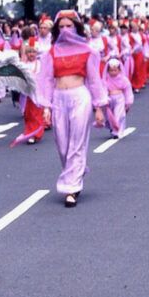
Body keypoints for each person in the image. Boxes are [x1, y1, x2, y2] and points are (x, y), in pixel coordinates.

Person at [37, 11, 109, 208]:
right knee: (62, 144)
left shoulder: (88, 51)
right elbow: (46, 80)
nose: (65, 30)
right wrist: (46, 107)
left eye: (69, 26)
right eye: (61, 27)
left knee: (77, 143)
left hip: (80, 97)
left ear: (76, 27)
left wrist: (99, 107)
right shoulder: (51, 53)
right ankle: (76, 171)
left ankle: (72, 188)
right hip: (59, 98)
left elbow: (95, 80)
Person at [102, 57, 133, 138]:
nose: (113, 72)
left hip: (119, 98)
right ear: (108, 71)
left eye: (115, 70)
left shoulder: (123, 79)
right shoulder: (106, 79)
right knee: (110, 116)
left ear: (119, 70)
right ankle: (113, 127)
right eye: (111, 70)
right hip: (110, 98)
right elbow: (104, 89)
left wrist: (128, 101)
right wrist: (105, 98)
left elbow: (127, 89)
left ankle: (117, 131)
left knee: (118, 114)